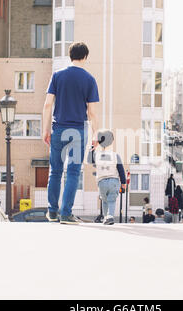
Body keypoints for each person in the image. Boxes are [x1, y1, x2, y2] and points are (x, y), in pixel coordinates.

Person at [43, 42, 100, 225]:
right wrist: (95, 134)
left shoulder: (57, 76)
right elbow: (91, 112)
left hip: (58, 128)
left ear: (70, 56)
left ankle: (52, 212)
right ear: (85, 57)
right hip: (78, 131)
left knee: (55, 171)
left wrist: (45, 129)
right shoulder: (89, 80)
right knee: (73, 172)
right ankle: (66, 214)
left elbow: (47, 104)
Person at [88, 129, 126, 225]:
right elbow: (121, 170)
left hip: (102, 182)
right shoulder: (115, 155)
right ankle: (110, 216)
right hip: (114, 181)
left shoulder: (97, 155)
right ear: (111, 142)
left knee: (104, 200)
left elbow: (89, 160)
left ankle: (105, 217)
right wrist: (124, 183)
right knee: (112, 200)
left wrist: (92, 147)